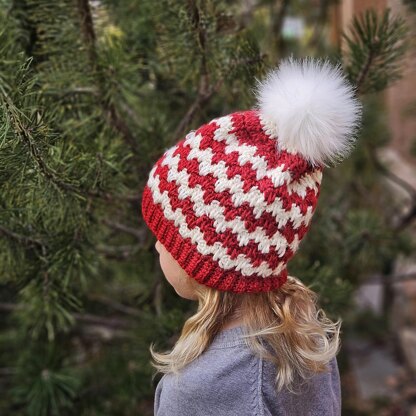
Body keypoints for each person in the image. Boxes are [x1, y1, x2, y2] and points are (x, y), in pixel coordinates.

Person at [141, 56, 362, 416]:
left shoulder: (201, 390)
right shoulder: (305, 343)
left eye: (167, 235)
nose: (156, 245)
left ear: (209, 257)